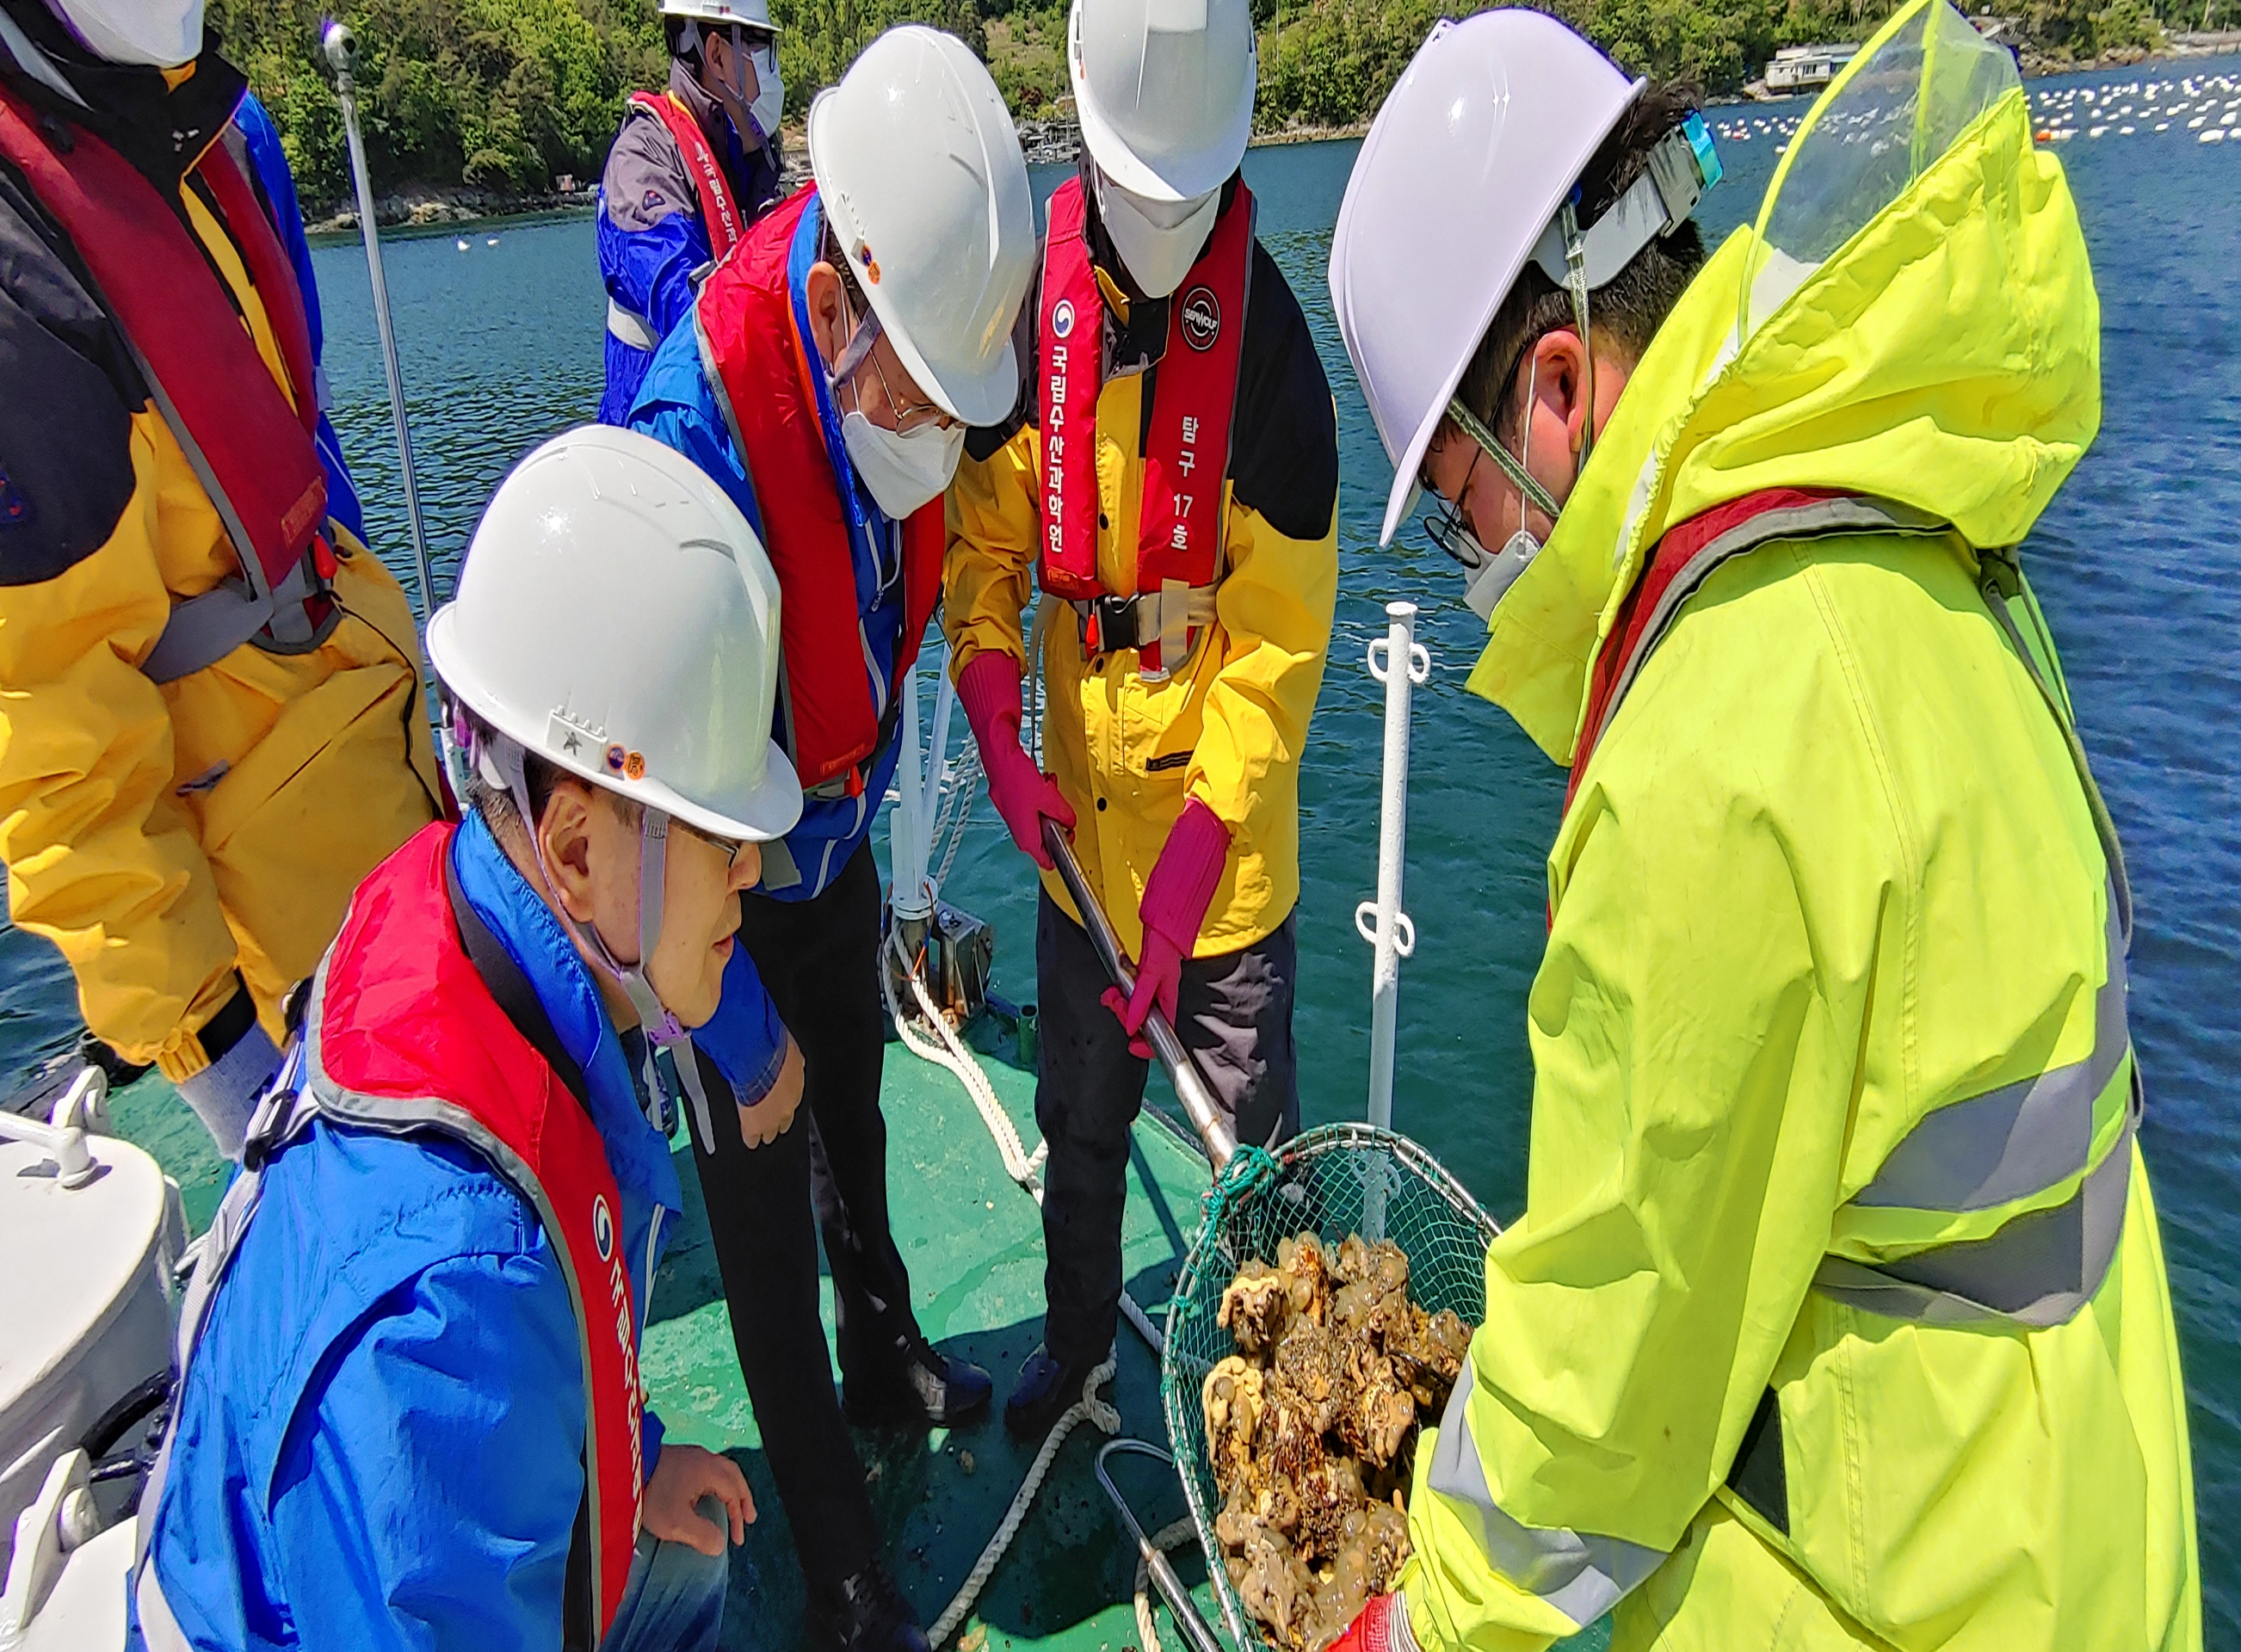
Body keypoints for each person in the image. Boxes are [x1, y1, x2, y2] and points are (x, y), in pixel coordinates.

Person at [1322, 6, 2201, 1650]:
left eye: (1461, 508)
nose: (1476, 569)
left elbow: (1607, 1374)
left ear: (1560, 389)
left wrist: (1415, 1619)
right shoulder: (1906, 528)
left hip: (1889, 1598)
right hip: (2079, 1531)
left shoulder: (1707, 747)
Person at [130, 426, 795, 1652]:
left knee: (685, 1572)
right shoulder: (453, 1308)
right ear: (586, 851)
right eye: (720, 833)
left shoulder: (466, 910)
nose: (752, 869)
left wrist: (630, 1458)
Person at [626, 27, 1035, 1649]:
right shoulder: (692, 448)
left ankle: (892, 1350)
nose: (930, 433)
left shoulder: (899, 376)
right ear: (833, 297)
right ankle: (830, 1532)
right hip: (708, 882)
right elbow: (643, 821)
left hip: (825, 825)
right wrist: (729, 1033)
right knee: (758, 1184)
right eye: (912, 395)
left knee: (854, 1107)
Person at [944, 0, 1338, 1439]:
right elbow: (983, 550)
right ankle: (1077, 1354)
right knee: (1079, 1125)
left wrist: (1199, 847)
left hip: (1219, 872)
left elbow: (1281, 635)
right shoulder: (1023, 319)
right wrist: (994, 717)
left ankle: (1278, 1429)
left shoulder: (1272, 361)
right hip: (1076, 851)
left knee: (1251, 1167)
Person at [0, 0, 442, 1156]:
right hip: (288, 948)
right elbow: (57, 753)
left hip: (374, 820)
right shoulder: (20, 270)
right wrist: (224, 1060)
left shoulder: (180, 130)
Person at [597, 0, 787, 424]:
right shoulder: (641, 163)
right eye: (762, 49)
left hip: (728, 442)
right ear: (717, 54)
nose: (774, 70)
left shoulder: (746, 155)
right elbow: (690, 317)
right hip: (657, 448)